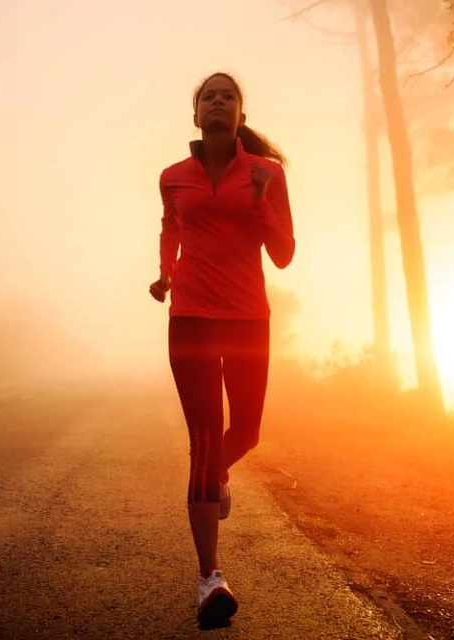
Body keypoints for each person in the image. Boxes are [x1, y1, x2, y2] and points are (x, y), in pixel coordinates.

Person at [149, 71, 295, 628]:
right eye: (207, 96)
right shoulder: (172, 177)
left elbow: (283, 253)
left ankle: (215, 479)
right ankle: (210, 578)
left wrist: (260, 204)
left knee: (247, 433)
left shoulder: (267, 174)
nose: (216, 102)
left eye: (226, 96)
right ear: (195, 115)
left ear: (239, 114)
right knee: (206, 442)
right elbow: (169, 229)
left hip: (247, 318)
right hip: (189, 318)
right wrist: (165, 274)